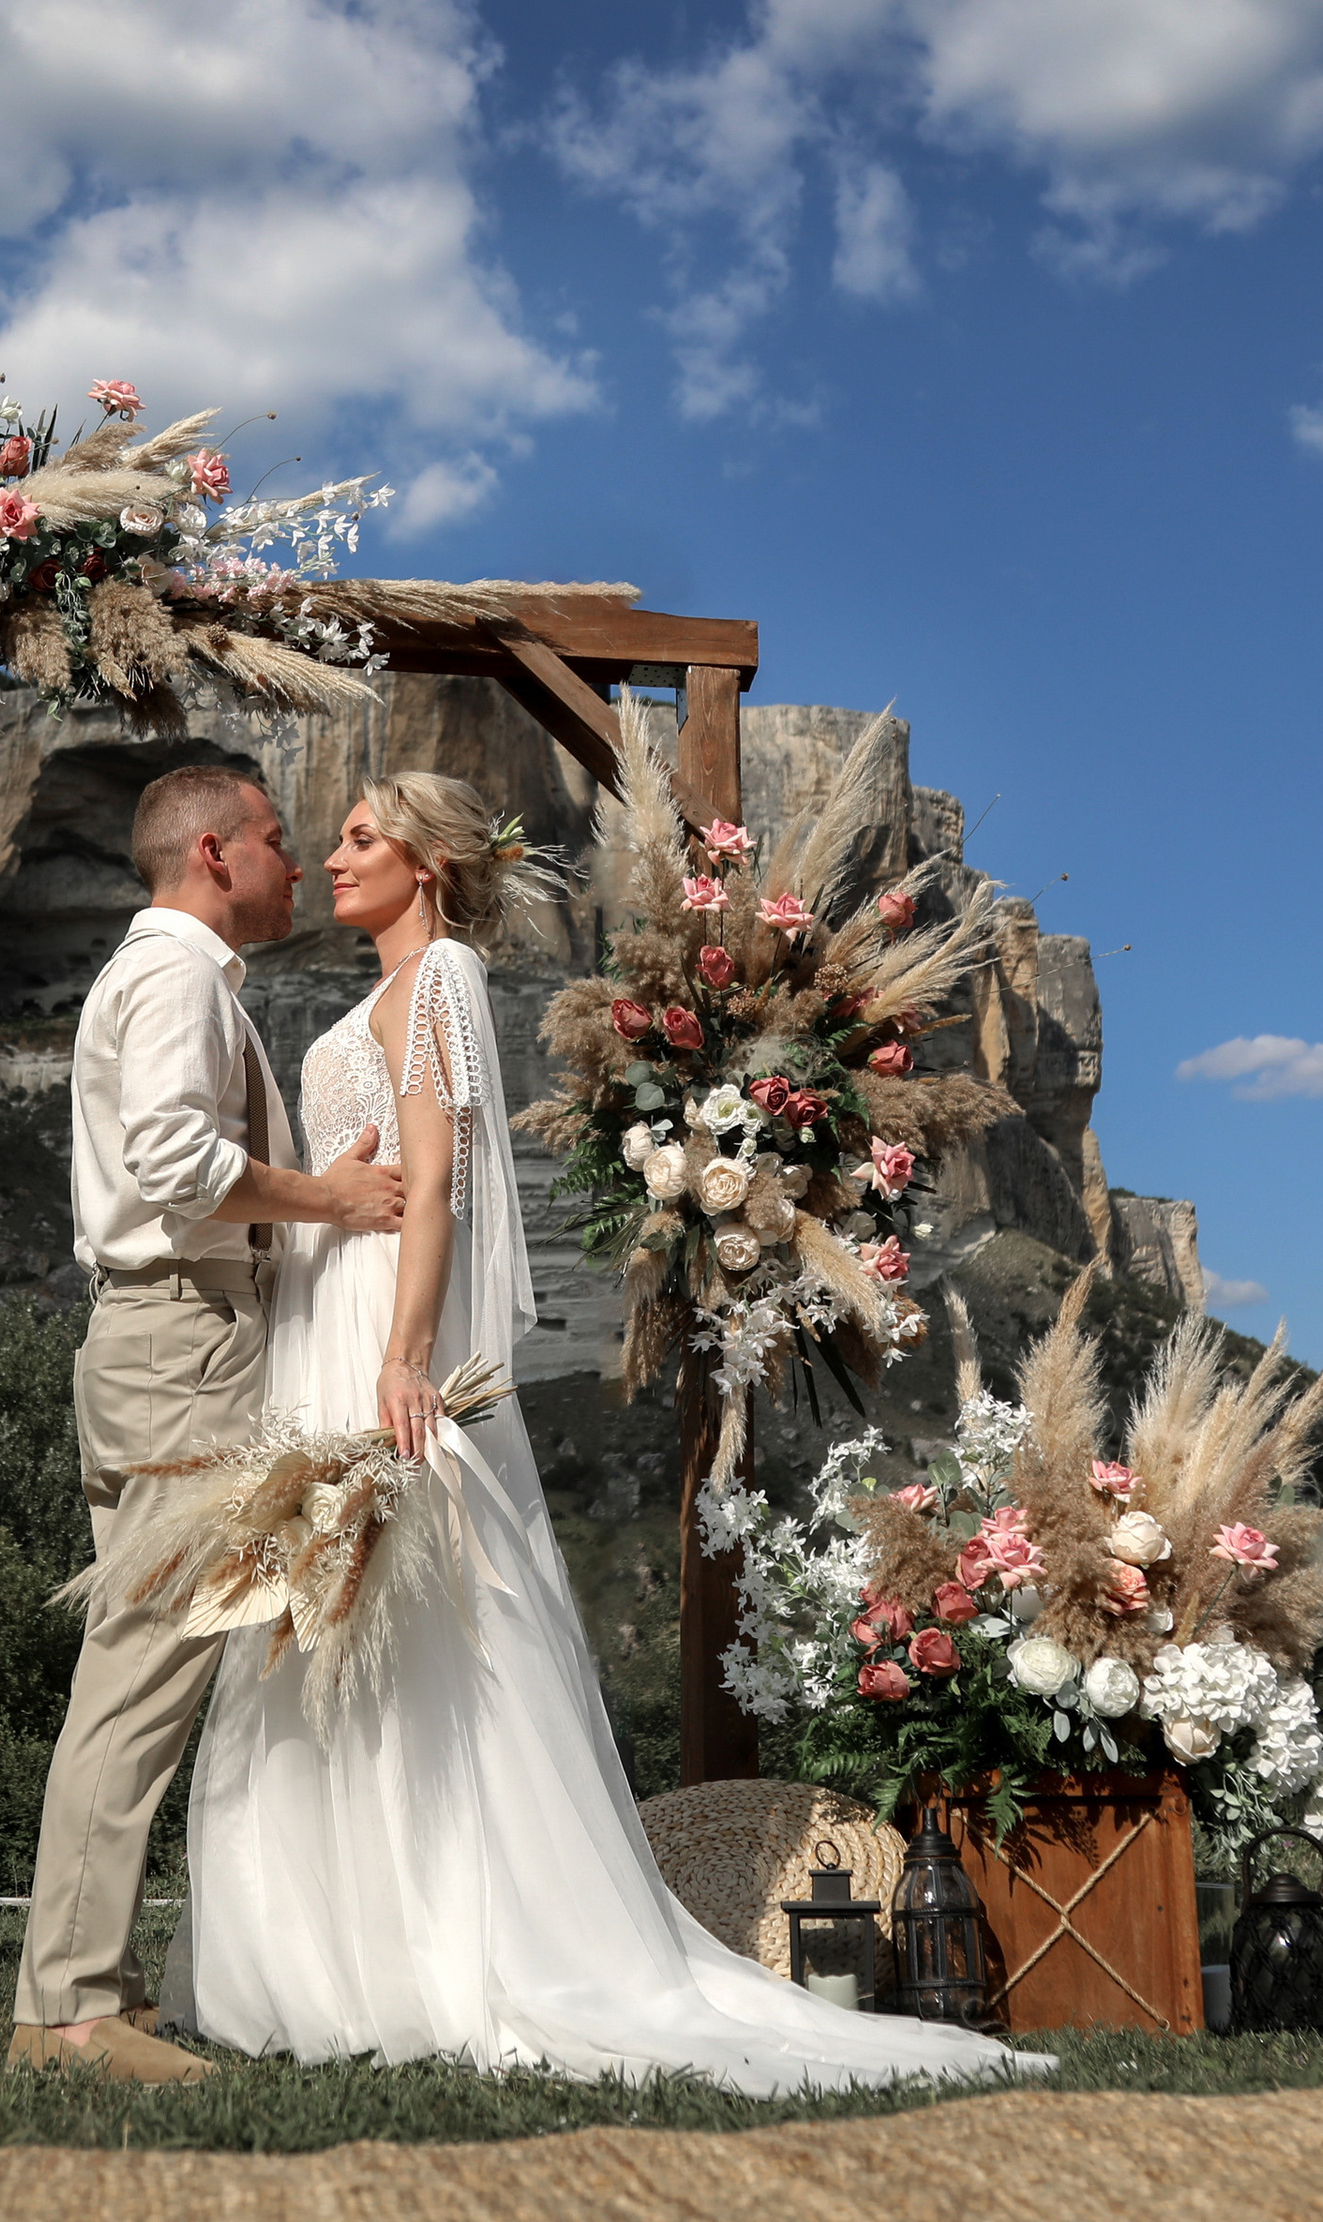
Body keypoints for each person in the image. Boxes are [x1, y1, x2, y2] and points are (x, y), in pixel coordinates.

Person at [162, 772, 1046, 2093]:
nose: (334, 857)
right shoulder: (366, 998)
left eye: (360, 838)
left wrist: (407, 1355)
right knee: (328, 1632)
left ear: (431, 863)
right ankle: (323, 1955)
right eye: (330, 840)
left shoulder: (446, 978)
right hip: (323, 1326)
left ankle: (448, 1952)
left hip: (383, 1342)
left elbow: (442, 1189)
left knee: (428, 1636)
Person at [8, 764, 407, 2083]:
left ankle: (85, 1996)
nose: (297, 866)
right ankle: (72, 2015)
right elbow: (176, 1165)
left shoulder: (176, 979)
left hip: (176, 1335)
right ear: (218, 853)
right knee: (142, 1672)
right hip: (183, 1337)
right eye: (283, 842)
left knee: (143, 1671)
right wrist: (335, 1204)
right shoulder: (177, 977)